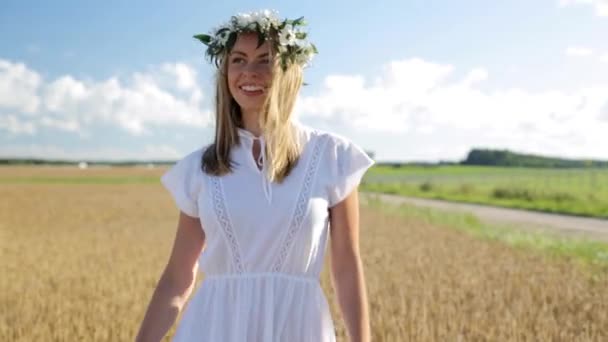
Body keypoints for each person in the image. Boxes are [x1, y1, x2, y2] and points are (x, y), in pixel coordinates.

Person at [136, 9, 374, 342]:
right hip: (213, 329)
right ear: (225, 71)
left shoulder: (332, 156)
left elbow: (346, 267)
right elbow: (178, 276)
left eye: (265, 60)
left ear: (289, 70)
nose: (250, 72)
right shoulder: (200, 168)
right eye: (238, 59)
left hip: (297, 328)